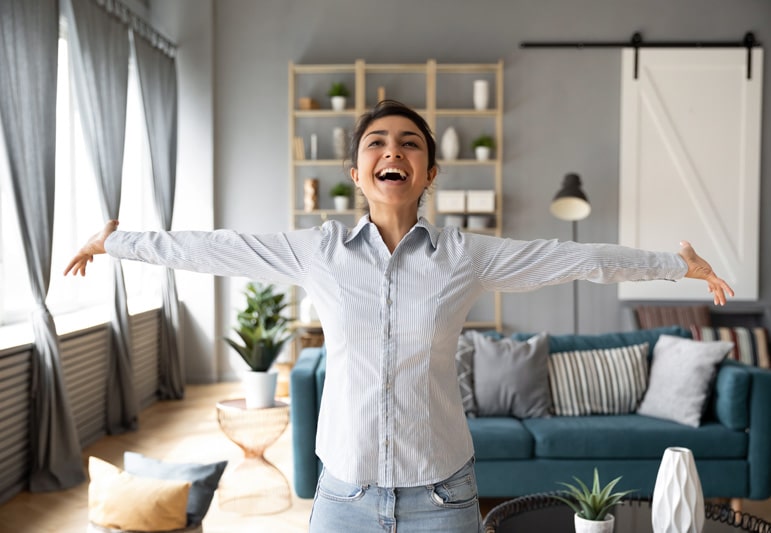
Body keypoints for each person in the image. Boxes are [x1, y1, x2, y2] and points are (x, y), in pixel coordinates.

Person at [65, 99, 734, 533]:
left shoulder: (465, 256)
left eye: (410, 143)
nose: (393, 151)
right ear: (357, 173)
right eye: (376, 143)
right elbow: (216, 248)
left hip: (441, 497)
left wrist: (677, 265)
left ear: (429, 172)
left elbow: (571, 258)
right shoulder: (318, 250)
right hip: (343, 497)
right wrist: (114, 241)